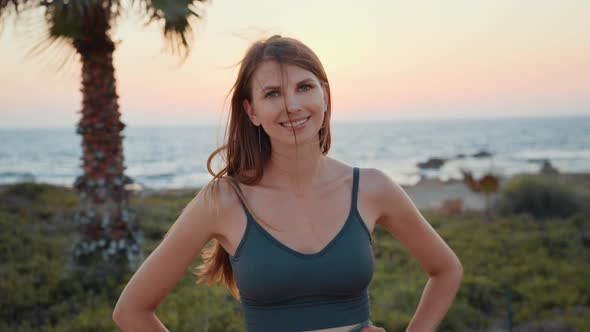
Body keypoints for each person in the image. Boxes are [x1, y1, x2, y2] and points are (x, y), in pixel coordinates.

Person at [113, 35, 463, 332]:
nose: (292, 105)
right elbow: (131, 311)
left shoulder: (372, 188)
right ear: (251, 112)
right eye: (273, 94)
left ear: (324, 95)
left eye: (304, 87)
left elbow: (446, 270)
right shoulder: (223, 200)